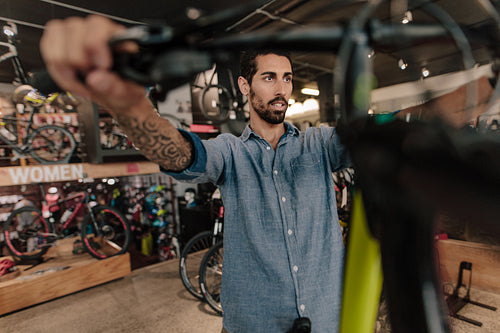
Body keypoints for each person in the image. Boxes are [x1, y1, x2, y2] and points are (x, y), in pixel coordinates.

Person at [40, 15, 350, 333]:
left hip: (329, 318)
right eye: (269, 77)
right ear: (245, 85)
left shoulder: (319, 144)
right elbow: (179, 154)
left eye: (287, 78)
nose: (281, 88)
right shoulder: (230, 152)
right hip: (254, 323)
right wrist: (129, 105)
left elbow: (390, 132)